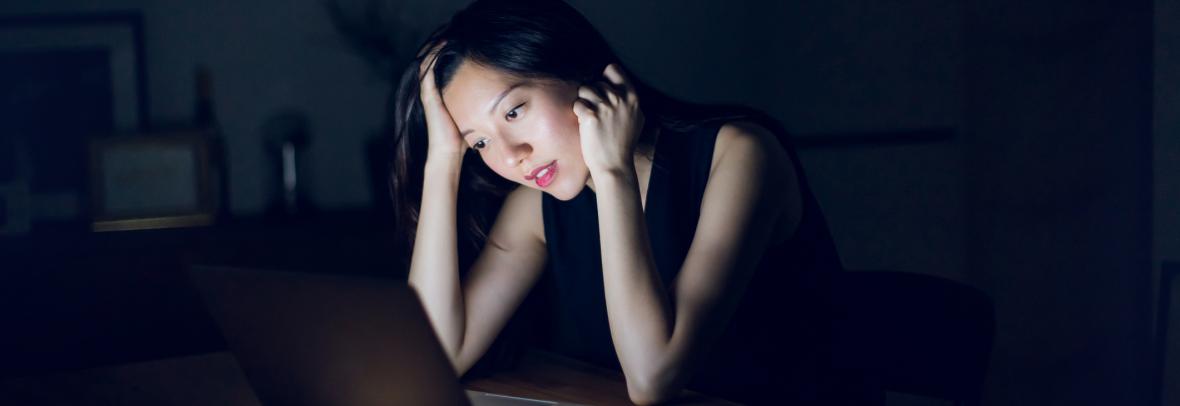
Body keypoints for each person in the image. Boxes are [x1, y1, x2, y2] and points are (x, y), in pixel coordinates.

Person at [392, 0, 844, 404]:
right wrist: (443, 160)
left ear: (577, 70)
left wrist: (613, 174)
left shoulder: (742, 154)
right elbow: (435, 356)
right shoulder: (535, 207)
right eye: (480, 145)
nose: (512, 156)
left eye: (514, 111)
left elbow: (653, 379)